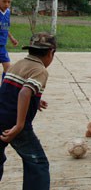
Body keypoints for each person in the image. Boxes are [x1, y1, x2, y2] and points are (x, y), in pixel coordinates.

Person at [0, 32, 56, 190]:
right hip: (15, 124)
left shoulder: (17, 64)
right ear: (51, 53)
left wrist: (35, 100)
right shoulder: (40, 70)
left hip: (1, 115)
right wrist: (19, 125)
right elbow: (24, 92)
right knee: (38, 163)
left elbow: (9, 89)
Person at [0, 0, 18, 81]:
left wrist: (11, 38)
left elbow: (5, 27)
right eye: (4, 1)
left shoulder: (7, 12)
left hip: (2, 46)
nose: (6, 4)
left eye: (9, 2)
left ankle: (3, 89)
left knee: (8, 68)